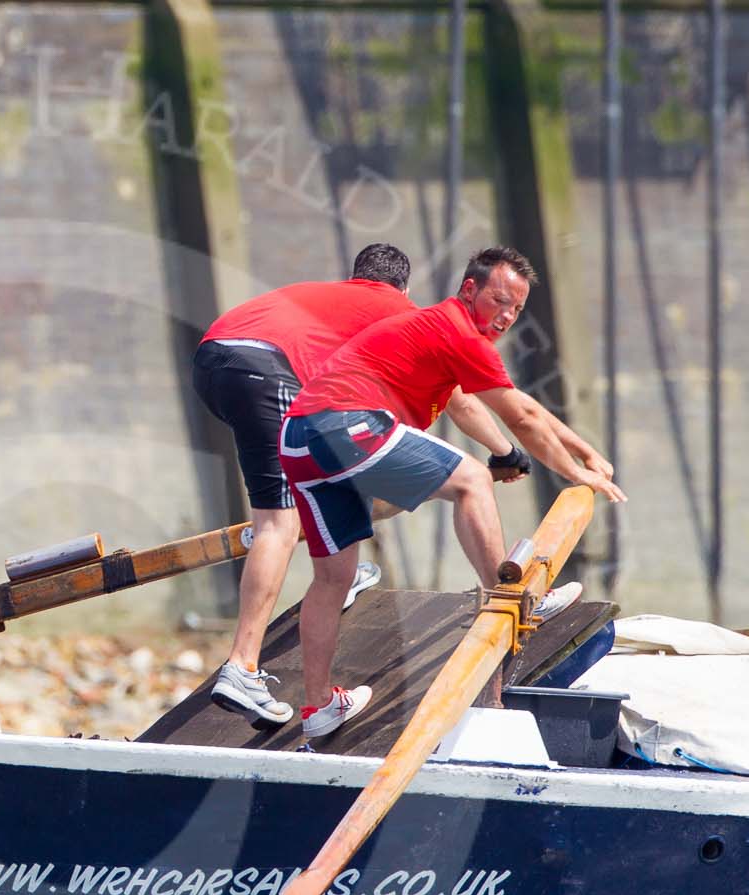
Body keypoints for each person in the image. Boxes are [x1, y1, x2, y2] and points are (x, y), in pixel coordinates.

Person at [279, 245, 626, 741]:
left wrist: (584, 449)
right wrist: (578, 473)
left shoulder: (440, 336)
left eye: (516, 310)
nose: (505, 317)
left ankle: (317, 707)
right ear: (469, 290)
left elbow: (518, 404)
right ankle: (520, 595)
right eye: (498, 301)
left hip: (297, 439)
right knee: (471, 480)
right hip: (345, 423)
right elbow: (520, 418)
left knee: (334, 579)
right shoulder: (456, 330)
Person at [191, 243, 523, 727]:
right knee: (277, 526)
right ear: (404, 289)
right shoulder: (401, 312)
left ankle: (334, 570)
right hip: (265, 369)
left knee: (323, 473)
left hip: (212, 363)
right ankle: (242, 666)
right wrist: (506, 452)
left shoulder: (331, 299)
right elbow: (460, 401)